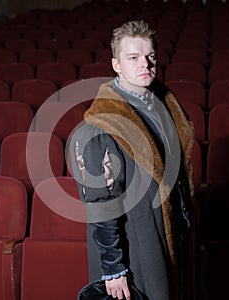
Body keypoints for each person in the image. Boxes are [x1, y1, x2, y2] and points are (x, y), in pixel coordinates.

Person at [70, 20, 196, 300]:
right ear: (116, 64)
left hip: (170, 234)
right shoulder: (100, 126)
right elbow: (101, 206)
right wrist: (113, 270)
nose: (145, 64)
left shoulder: (162, 104)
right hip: (136, 245)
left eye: (150, 56)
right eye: (133, 57)